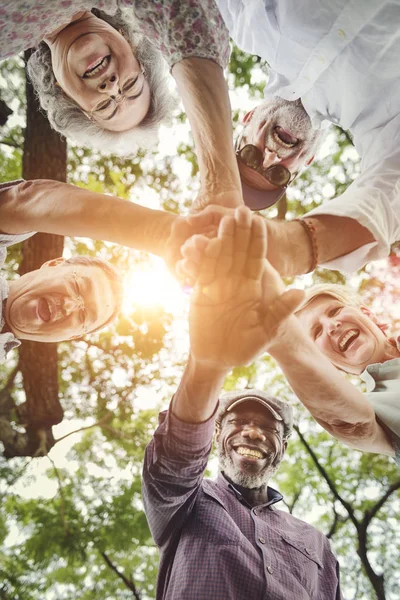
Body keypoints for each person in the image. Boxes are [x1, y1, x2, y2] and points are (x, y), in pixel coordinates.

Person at [142, 207, 342, 599]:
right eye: (238, 421)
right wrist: (209, 365)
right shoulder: (185, 503)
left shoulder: (317, 543)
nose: (253, 430)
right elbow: (176, 460)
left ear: (283, 448)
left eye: (269, 427)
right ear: (217, 435)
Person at [188, 0, 400, 277]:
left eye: (251, 156)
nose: (271, 157)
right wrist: (291, 248)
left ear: (248, 117)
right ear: (309, 160)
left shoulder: (249, 25)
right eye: (276, 174)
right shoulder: (378, 120)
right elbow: (389, 193)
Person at [178, 210, 400, 465]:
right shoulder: (378, 410)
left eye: (335, 311)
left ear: (367, 313)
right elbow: (352, 421)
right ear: (329, 365)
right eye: (316, 332)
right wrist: (278, 334)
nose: (331, 325)